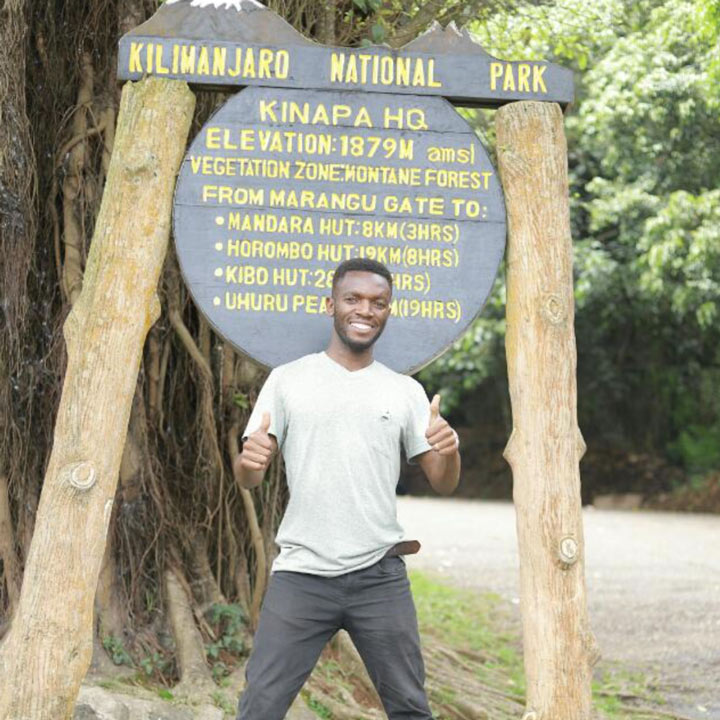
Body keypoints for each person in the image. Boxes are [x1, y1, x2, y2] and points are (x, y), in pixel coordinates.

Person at [233, 257, 461, 719]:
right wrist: (248, 461)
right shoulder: (288, 380)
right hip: (302, 574)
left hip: (379, 576)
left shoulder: (403, 391)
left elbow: (442, 482)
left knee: (411, 708)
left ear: (388, 312)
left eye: (378, 302)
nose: (365, 310)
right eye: (353, 299)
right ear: (331, 305)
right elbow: (249, 476)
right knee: (260, 706)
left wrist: (450, 450)